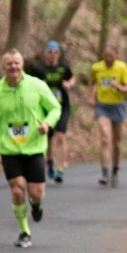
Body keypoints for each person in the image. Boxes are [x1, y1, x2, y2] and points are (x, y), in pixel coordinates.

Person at [0, 49, 62, 248]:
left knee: (36, 192)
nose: (13, 67)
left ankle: (36, 204)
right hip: (9, 149)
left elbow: (55, 108)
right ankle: (24, 231)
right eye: (9, 64)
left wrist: (48, 124)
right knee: (17, 191)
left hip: (34, 148)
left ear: (22, 64)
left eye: (17, 63)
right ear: (4, 67)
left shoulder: (37, 85)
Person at [27, 39, 74, 183]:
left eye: (56, 52)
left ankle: (60, 169)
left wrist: (68, 84)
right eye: (50, 52)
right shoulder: (38, 69)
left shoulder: (63, 67)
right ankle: (49, 161)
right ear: (45, 53)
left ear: (59, 54)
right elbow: (29, 85)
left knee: (61, 136)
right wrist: (39, 85)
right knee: (48, 138)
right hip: (45, 108)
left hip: (62, 107)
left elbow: (72, 77)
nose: (53, 54)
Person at [89, 45, 127, 188]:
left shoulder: (122, 67)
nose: (108, 59)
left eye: (111, 56)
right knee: (105, 139)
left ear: (116, 55)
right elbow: (93, 82)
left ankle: (115, 170)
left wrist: (118, 86)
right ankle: (104, 173)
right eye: (106, 56)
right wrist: (91, 96)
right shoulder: (96, 67)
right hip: (102, 106)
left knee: (117, 142)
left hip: (118, 106)